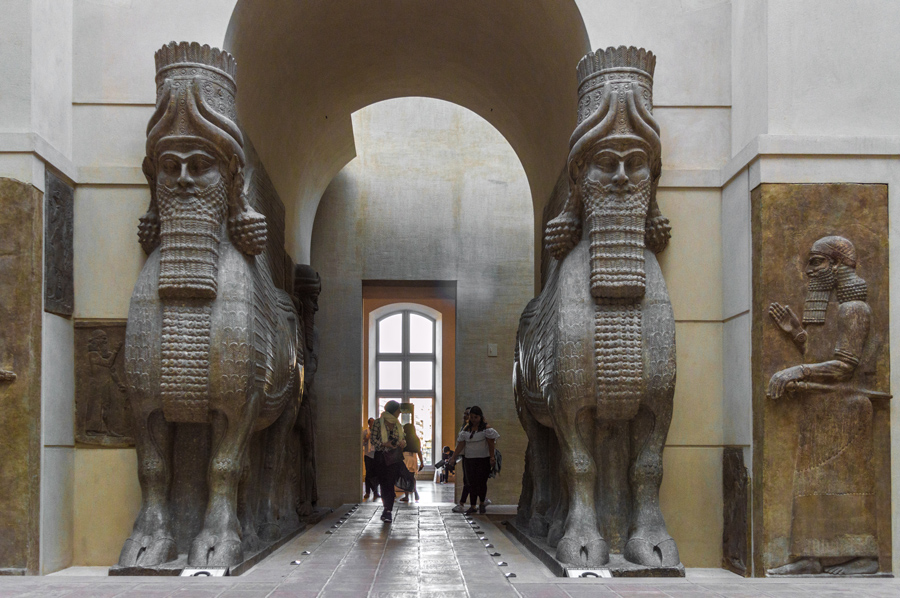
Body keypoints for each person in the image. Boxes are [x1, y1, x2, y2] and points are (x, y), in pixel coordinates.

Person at [446, 405, 499, 514]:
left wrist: (492, 457)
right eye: (472, 417)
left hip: (483, 459)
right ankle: (473, 505)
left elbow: (491, 444)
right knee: (472, 483)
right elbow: (460, 445)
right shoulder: (466, 429)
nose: (474, 420)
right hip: (470, 460)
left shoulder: (486, 429)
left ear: (480, 417)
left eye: (476, 417)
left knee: (482, 482)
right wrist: (453, 457)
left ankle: (482, 503)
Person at [371, 400, 407, 522]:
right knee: (384, 484)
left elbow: (402, 439)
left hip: (394, 458)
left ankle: (388, 510)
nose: (400, 412)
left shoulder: (398, 424)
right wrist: (384, 444)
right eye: (398, 410)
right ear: (393, 410)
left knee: (390, 483)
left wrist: (402, 443)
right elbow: (373, 440)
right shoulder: (378, 423)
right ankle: (387, 509)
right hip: (382, 457)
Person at [451, 407, 471, 513]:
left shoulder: (470, 428)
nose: (465, 416)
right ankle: (482, 500)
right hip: (466, 456)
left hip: (471, 457)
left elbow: (461, 443)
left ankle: (462, 503)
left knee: (469, 481)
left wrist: (454, 456)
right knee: (469, 481)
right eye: (464, 413)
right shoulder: (465, 426)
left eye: (467, 414)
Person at [400, 423, 425, 502]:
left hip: (405, 457)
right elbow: (419, 451)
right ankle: (415, 491)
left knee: (405, 478)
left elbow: (401, 449)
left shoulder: (404, 438)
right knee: (412, 477)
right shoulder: (416, 439)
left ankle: (406, 496)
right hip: (413, 458)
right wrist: (421, 462)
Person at [362, 418, 380, 500]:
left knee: (376, 474)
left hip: (375, 454)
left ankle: (376, 492)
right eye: (372, 423)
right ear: (369, 424)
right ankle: (368, 492)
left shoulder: (377, 432)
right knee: (368, 473)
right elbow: (362, 442)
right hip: (368, 454)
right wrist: (367, 438)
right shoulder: (365, 431)